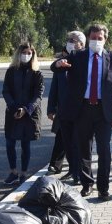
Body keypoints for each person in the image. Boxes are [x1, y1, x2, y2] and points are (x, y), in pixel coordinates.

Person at [52, 23, 112, 200]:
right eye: (93, 38)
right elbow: (55, 67)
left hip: (104, 111)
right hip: (82, 109)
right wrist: (59, 63)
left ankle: (103, 187)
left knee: (104, 150)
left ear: (105, 39)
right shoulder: (78, 56)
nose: (96, 41)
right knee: (84, 149)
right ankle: (87, 184)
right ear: (88, 38)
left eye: (100, 38)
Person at [1, 42, 43, 185]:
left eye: (29, 53)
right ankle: (13, 172)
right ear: (18, 54)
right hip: (13, 112)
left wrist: (26, 109)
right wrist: (13, 107)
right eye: (24, 53)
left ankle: (24, 173)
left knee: (25, 145)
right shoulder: (11, 71)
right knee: (9, 143)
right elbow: (6, 90)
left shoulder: (37, 73)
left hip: (29, 113)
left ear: (33, 55)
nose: (26, 55)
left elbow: (38, 95)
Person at [46, 30, 85, 182]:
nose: (70, 42)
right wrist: (51, 108)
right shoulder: (62, 62)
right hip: (63, 110)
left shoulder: (86, 61)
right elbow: (54, 87)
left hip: (82, 110)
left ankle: (80, 172)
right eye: (69, 40)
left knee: (79, 143)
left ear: (82, 44)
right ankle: (72, 170)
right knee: (67, 143)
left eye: (73, 40)